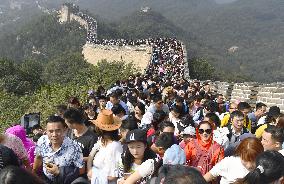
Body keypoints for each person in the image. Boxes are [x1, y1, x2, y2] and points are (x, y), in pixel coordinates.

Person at [33, 115, 84, 184]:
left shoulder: (74, 147)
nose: (54, 134)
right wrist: (33, 173)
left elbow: (82, 169)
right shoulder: (42, 140)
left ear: (64, 129)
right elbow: (38, 157)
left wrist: (60, 171)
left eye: (58, 130)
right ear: (46, 131)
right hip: (46, 180)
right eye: (50, 131)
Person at [87, 109, 123, 184]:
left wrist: (95, 176)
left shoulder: (115, 146)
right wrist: (89, 170)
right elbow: (91, 156)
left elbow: (114, 175)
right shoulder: (101, 140)